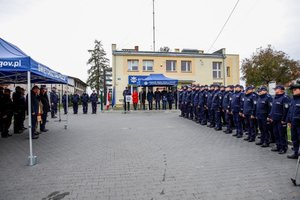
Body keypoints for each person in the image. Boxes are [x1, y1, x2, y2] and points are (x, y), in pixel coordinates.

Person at [268, 85, 290, 154]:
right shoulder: (275, 97)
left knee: (282, 134)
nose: (275, 90)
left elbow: (286, 110)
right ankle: (278, 146)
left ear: (281, 90)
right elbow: (273, 109)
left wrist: (284, 119)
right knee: (276, 133)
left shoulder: (285, 98)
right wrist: (270, 116)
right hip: (275, 119)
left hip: (281, 120)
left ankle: (283, 148)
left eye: (276, 89)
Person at [287, 79, 300, 159]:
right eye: (293, 90)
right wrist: (288, 120)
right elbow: (290, 111)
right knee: (294, 139)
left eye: (295, 89)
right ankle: (295, 152)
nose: (293, 91)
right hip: (293, 123)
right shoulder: (293, 99)